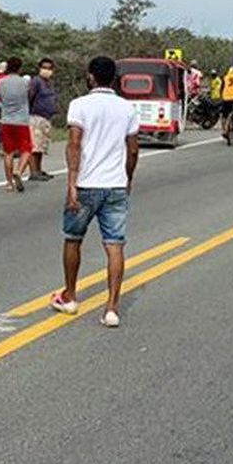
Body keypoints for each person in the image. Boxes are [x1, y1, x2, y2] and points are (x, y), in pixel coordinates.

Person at [51, 56, 139, 328]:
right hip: (114, 184)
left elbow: (74, 144)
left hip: (87, 184)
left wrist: (71, 183)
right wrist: (128, 178)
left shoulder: (79, 105)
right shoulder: (127, 108)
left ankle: (71, 296)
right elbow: (133, 149)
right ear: (114, 78)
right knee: (115, 245)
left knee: (73, 239)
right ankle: (112, 308)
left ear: (91, 77)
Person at [0, 57, 32, 192]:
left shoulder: (1, 82)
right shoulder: (25, 82)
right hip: (22, 121)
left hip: (6, 120)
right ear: (19, 68)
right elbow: (28, 95)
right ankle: (19, 170)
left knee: (8, 153)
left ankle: (8, 183)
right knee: (26, 150)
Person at [27, 58, 58, 181]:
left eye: (49, 68)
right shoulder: (36, 82)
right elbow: (30, 97)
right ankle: (33, 171)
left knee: (41, 146)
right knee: (35, 145)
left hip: (46, 118)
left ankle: (38, 169)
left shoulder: (49, 83)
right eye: (44, 67)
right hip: (36, 117)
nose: (46, 70)